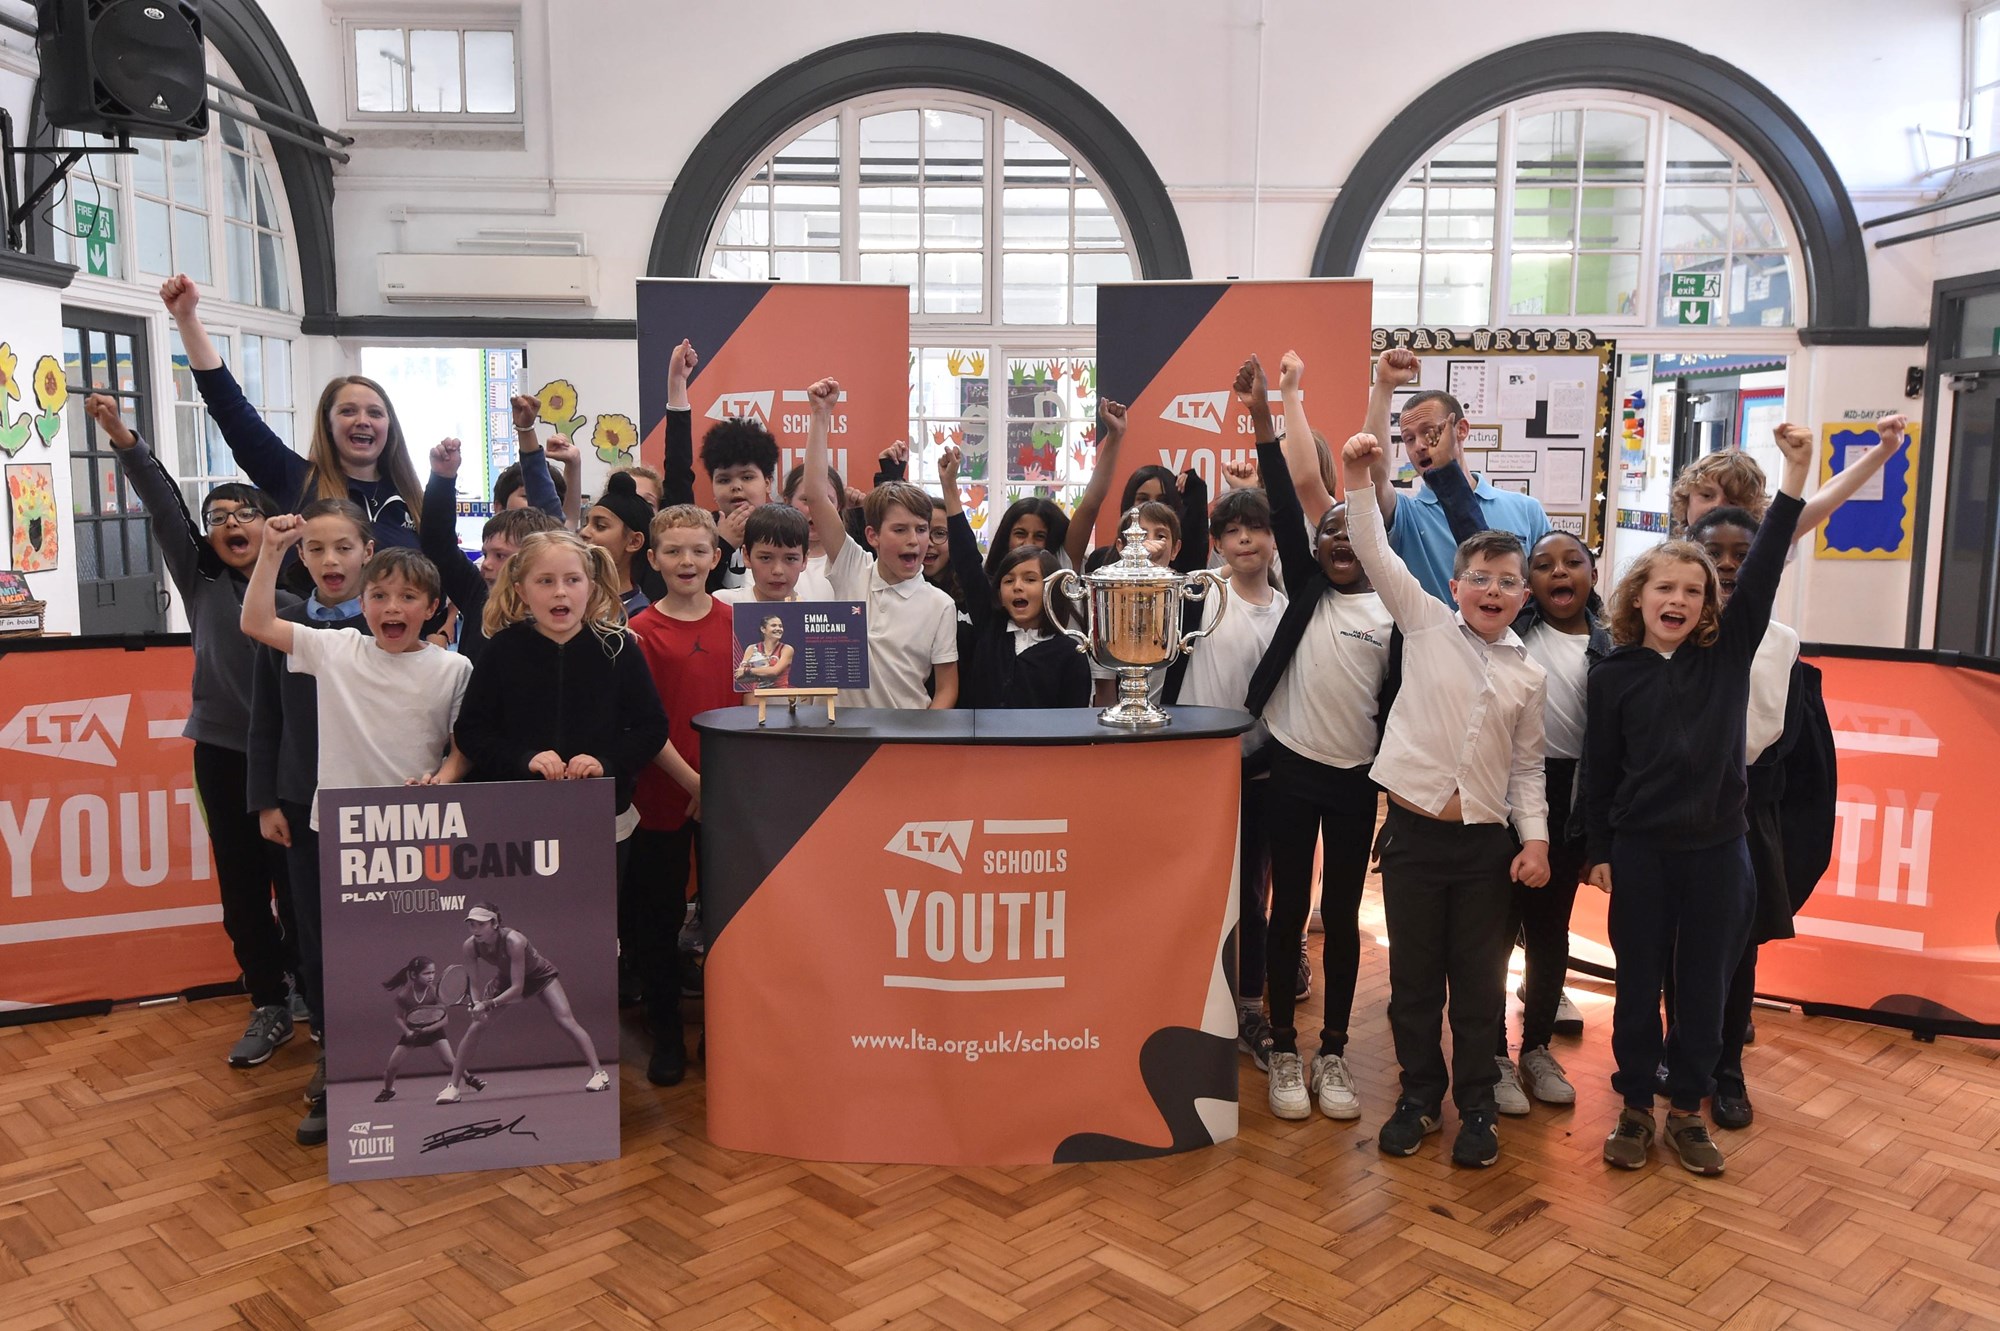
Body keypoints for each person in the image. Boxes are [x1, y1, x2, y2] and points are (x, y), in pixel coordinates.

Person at [1587, 422, 1813, 1177]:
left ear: (1713, 603)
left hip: (1718, 851)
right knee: (1637, 984)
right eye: (1666, 587)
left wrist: (1796, 468)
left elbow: (1772, 552)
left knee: (1706, 986)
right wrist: (1596, 851)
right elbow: (1599, 770)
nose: (1679, 598)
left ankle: (1688, 1110)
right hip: (1642, 853)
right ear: (1639, 596)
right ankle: (1633, 1109)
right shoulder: (1615, 673)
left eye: (1695, 589)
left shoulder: (1729, 654)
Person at [1339, 426, 1550, 1171]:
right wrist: (1356, 477)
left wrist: (1536, 840)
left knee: (1481, 989)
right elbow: (1373, 548)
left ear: (1523, 596)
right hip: (1415, 841)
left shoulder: (1528, 674)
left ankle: (1479, 1106)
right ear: (1455, 585)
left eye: (1507, 580)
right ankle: (1420, 1095)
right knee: (1414, 983)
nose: (1493, 589)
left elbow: (1528, 770)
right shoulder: (1424, 624)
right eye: (1480, 577)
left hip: (1485, 849)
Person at [88, 395, 301, 1075]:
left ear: (274, 524)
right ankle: (267, 1000)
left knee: (296, 886)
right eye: (219, 518)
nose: (231, 524)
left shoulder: (306, 586)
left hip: (295, 756)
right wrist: (126, 439)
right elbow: (162, 504)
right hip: (222, 752)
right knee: (242, 891)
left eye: (246, 513)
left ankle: (310, 992)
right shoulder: (200, 577)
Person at [1233, 358, 1392, 1122]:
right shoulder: (1307, 590)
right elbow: (1280, 478)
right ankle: (1285, 1052)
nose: (1337, 538)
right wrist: (1267, 410)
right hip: (1292, 770)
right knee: (1285, 906)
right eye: (1325, 529)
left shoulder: (1396, 613)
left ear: (1370, 538)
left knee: (1343, 910)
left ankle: (1333, 1049)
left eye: (1350, 528)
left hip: (1357, 781)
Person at [1679, 503, 1836, 1132]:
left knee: (1737, 951)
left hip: (1745, 816)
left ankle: (1726, 1071)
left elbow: (1790, 745)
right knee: (1676, 944)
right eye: (1713, 554)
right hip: (1676, 812)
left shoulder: (1781, 643)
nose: (1727, 566)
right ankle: (1679, 1053)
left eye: (1744, 555)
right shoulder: (1669, 630)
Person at [246, 496, 373, 1145]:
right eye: (317, 548)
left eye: (343, 547)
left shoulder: (391, 621)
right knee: (318, 931)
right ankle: (336, 1052)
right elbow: (264, 715)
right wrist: (266, 797)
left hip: (379, 804)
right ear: (301, 555)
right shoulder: (286, 625)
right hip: (303, 800)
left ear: (367, 553)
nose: (330, 559)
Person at [161, 275, 422, 550]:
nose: (363, 421)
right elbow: (230, 409)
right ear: (327, 424)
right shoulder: (295, 480)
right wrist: (186, 319)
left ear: (390, 426)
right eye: (348, 411)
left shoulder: (413, 499)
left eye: (375, 413)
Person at [239, 523, 474, 821]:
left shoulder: (454, 668)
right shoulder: (336, 648)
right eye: (378, 596)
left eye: (408, 597)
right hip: (341, 820)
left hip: (418, 819)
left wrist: (441, 781)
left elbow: (461, 751)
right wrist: (271, 550)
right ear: (362, 605)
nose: (392, 607)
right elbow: (256, 623)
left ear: (432, 608)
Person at [449, 531, 669, 841]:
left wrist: (604, 764)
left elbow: (652, 728)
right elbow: (472, 732)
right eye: (545, 581)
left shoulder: (619, 648)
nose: (560, 592)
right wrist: (523, 759)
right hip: (516, 817)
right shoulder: (501, 650)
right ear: (521, 590)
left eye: (572, 580)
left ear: (590, 587)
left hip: (603, 816)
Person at [628, 505, 738, 1085]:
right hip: (663, 798)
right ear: (653, 559)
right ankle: (665, 1029)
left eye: (698, 550)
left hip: (727, 798)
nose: (686, 560)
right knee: (659, 919)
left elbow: (753, 710)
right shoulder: (640, 633)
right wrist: (694, 783)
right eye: (673, 551)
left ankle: (722, 1031)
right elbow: (645, 726)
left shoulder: (741, 624)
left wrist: (718, 784)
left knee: (726, 919)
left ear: (716, 557)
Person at [1341, 348, 1553, 604]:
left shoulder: (1525, 509)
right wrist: (1384, 386)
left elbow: (1545, 590)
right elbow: (1374, 474)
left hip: (1513, 641)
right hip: (1436, 641)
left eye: (1429, 432)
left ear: (1461, 430)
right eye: (1408, 439)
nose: (1419, 446)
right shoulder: (1408, 514)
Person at [806, 378, 960, 710]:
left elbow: (947, 689)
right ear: (873, 536)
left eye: (921, 529)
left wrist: (920, 740)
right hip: (838, 739)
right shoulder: (852, 568)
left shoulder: (941, 604)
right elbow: (817, 496)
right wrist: (820, 416)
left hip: (903, 745)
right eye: (900, 529)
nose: (914, 541)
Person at [436, 904, 610, 1103]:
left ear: (494, 923)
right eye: (472, 925)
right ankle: (453, 1087)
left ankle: (599, 1074)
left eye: (480, 924)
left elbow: (518, 989)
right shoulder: (470, 946)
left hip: (539, 977)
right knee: (475, 1028)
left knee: (565, 1020)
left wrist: (488, 1004)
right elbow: (473, 983)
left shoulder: (514, 941)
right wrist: (476, 1003)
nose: (475, 929)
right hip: (505, 980)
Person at [423, 436, 562, 660]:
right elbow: (439, 547)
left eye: (500, 556)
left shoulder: (557, 610)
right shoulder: (478, 592)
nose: (486, 564)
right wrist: (442, 478)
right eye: (486, 553)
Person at [658, 338, 779, 591]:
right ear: (712, 487)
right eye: (724, 479)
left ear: (767, 482)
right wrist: (677, 385)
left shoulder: (786, 527)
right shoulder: (699, 529)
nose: (736, 487)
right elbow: (678, 474)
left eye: (747, 477)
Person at [1671, 413, 1908, 540]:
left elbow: (1828, 496)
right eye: (1706, 495)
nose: (1717, 507)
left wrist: (1884, 450)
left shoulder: (1762, 547)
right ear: (1687, 500)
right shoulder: (1667, 558)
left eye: (1733, 501)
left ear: (1751, 511)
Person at [959, 545, 1092, 708]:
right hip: (985, 734)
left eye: (1030, 579)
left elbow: (1073, 719)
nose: (1017, 587)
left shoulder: (1071, 654)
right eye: (1008, 581)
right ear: (999, 594)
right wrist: (954, 517)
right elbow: (968, 565)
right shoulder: (990, 631)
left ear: (1051, 590)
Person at [374, 957, 475, 1102]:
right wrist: (407, 1032)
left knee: (450, 1061)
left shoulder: (436, 993)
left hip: (434, 1032)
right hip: (412, 1034)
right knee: (391, 1068)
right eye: (426, 973)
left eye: (433, 972)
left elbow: (444, 1019)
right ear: (414, 975)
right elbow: (398, 1017)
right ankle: (388, 1090)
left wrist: (428, 1029)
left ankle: (470, 1079)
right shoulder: (404, 995)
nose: (431, 976)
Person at [583, 472, 656, 617]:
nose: (584, 532)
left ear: (634, 541)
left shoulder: (638, 615)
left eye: (600, 526)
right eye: (586, 523)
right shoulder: (570, 602)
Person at [717, 503, 814, 605]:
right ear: (746, 556)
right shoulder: (724, 603)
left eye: (790, 559)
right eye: (765, 558)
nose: (778, 570)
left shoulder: (813, 614)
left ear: (804, 560)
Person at [983, 496, 1071, 586]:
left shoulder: (1063, 578)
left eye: (1039, 536)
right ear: (1006, 537)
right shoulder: (985, 583)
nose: (1028, 544)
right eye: (1020, 534)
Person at [735, 615, 795, 689]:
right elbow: (739, 677)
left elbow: (774, 671)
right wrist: (759, 673)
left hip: (779, 695)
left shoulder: (787, 649)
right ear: (763, 629)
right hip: (758, 695)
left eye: (780, 626)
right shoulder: (751, 648)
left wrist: (748, 671)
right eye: (773, 625)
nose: (778, 629)